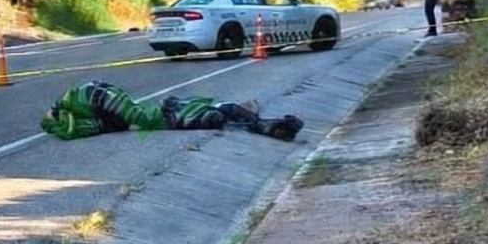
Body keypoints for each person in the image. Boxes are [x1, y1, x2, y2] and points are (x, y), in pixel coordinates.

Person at [41, 80, 303, 142]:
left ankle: (262, 123)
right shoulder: (69, 114)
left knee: (216, 112)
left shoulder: (71, 110)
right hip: (98, 95)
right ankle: (262, 124)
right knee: (215, 113)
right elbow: (71, 129)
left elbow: (126, 120)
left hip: (98, 95)